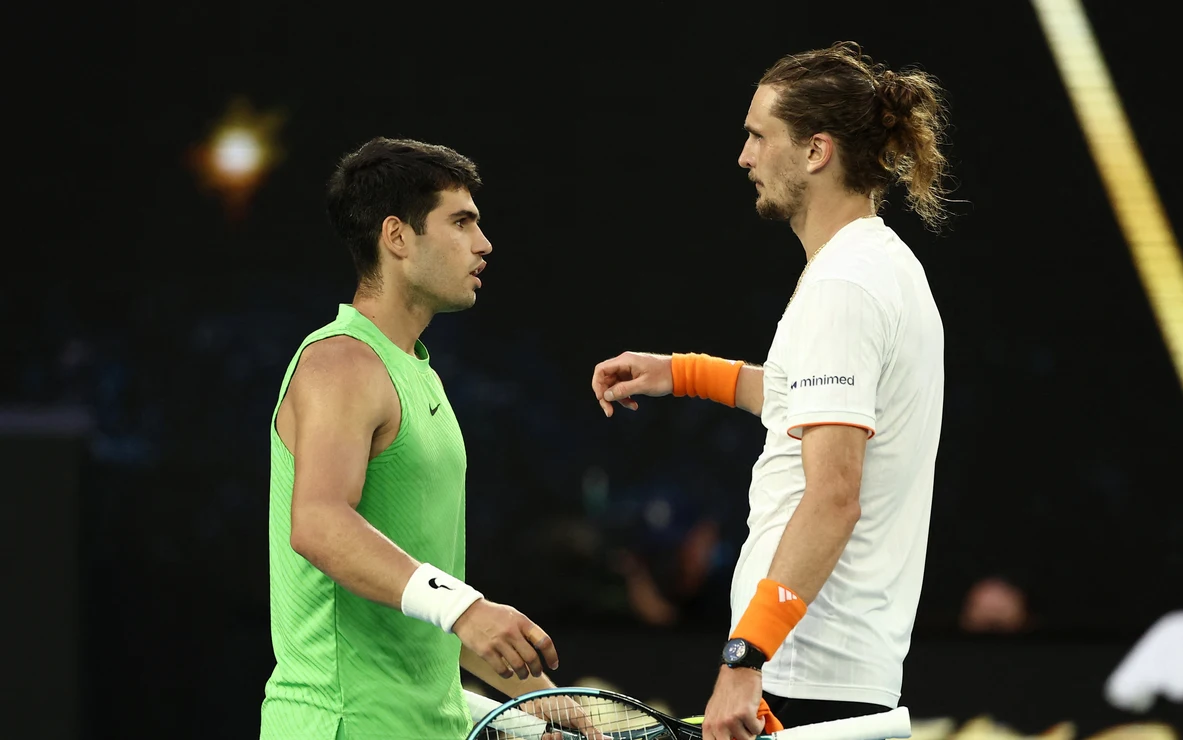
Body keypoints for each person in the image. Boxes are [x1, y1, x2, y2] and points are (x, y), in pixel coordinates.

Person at [590, 41, 951, 740]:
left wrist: (744, 656)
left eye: (759, 136)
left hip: (806, 674)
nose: (744, 157)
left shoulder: (845, 286)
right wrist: (683, 373)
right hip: (828, 670)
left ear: (815, 151)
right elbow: (802, 404)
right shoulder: (874, 266)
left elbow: (833, 497)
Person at [261, 137, 566, 739]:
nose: (484, 244)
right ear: (397, 237)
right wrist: (468, 609)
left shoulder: (417, 372)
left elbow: (418, 607)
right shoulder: (339, 362)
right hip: (339, 725)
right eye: (461, 222)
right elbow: (318, 523)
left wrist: (546, 704)